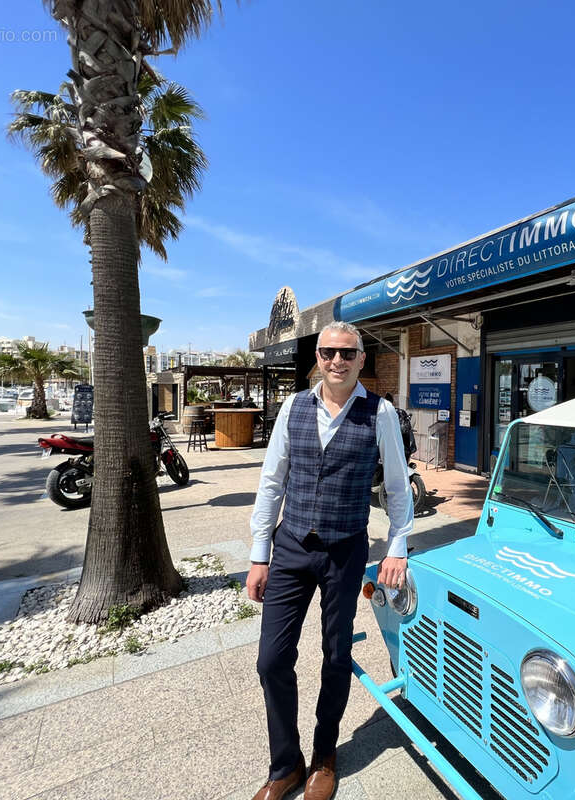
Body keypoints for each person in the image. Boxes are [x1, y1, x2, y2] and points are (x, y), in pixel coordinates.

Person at [247, 321, 414, 800]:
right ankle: (286, 766)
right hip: (292, 547)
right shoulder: (293, 408)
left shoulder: (379, 413)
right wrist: (260, 556)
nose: (336, 361)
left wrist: (397, 546)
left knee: (336, 655)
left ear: (362, 359)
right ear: (316, 358)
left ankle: (324, 756)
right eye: (326, 352)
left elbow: (398, 490)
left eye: (346, 353)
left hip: (345, 549)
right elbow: (271, 483)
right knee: (271, 659)